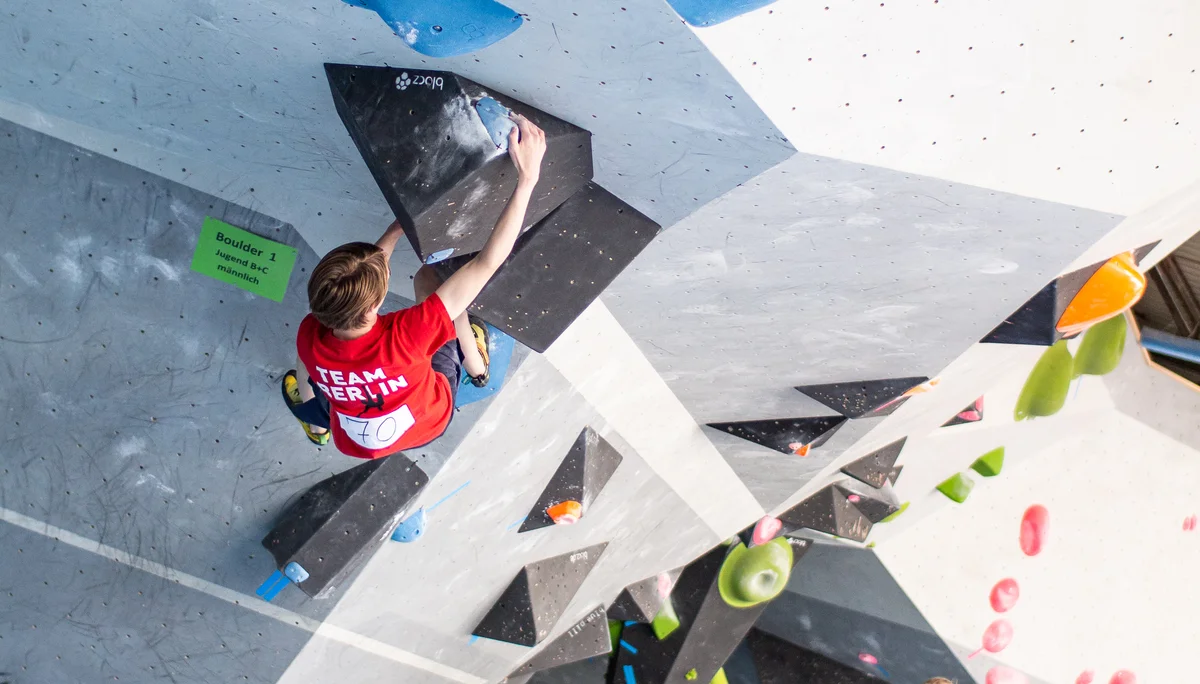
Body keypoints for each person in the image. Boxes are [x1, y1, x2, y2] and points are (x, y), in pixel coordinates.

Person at [280, 113, 547, 458]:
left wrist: (399, 227)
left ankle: (317, 428)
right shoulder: (409, 334)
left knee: (307, 360)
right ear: (376, 305)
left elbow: (367, 272)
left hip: (356, 441)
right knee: (430, 279)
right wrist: (527, 179)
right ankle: (475, 365)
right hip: (431, 418)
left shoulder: (310, 332)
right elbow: (486, 262)